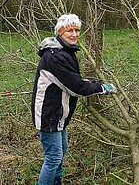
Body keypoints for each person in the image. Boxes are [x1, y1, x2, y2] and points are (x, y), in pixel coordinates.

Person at [31, 14, 116, 185]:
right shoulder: (55, 56)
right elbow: (76, 87)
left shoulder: (65, 52)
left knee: (61, 152)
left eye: (77, 30)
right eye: (69, 30)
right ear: (60, 32)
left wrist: (92, 84)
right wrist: (101, 88)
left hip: (59, 113)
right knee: (53, 158)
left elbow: (72, 79)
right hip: (49, 115)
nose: (74, 34)